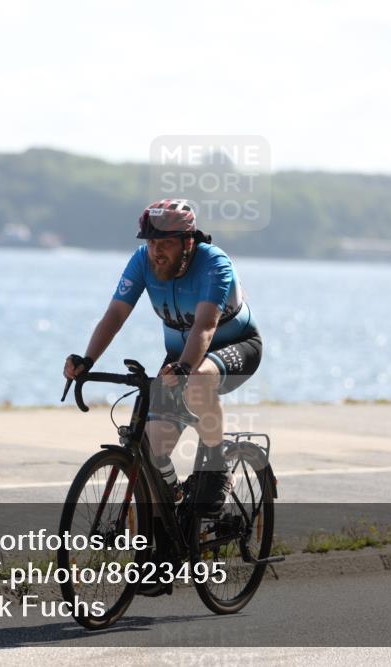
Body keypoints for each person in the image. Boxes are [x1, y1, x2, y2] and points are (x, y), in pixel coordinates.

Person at [63, 198, 261, 516]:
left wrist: (184, 366)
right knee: (153, 451)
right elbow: (115, 314)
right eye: (152, 242)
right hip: (181, 356)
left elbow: (206, 326)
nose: (157, 251)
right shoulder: (143, 261)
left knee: (198, 380)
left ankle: (216, 466)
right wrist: (87, 361)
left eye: (166, 243)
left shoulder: (214, 264)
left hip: (233, 346)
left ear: (188, 242)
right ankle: (168, 530)